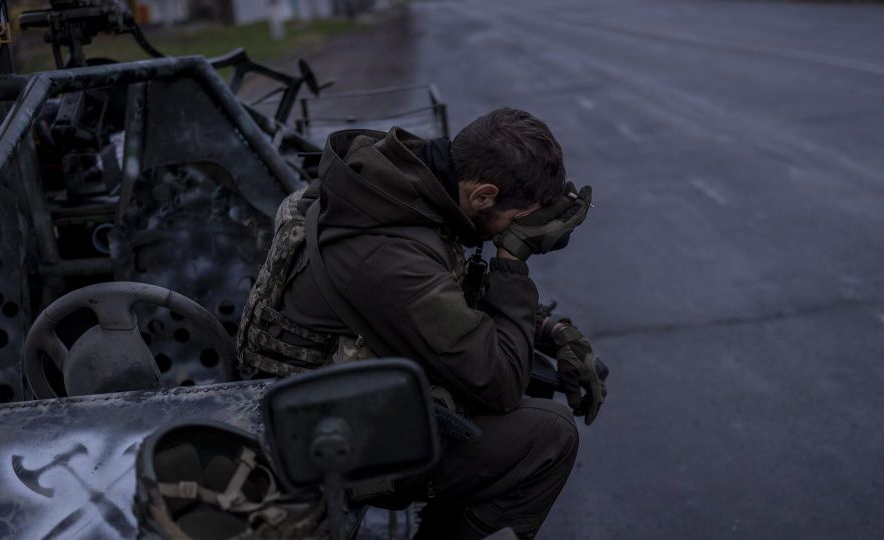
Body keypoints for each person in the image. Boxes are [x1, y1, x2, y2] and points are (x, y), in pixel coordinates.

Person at [237, 107, 607, 540]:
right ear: (483, 195)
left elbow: (448, 296)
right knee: (549, 436)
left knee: (533, 374)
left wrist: (553, 331)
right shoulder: (388, 250)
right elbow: (499, 382)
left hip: (322, 398)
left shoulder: (396, 187)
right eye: (518, 224)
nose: (516, 235)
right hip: (322, 441)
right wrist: (511, 262)